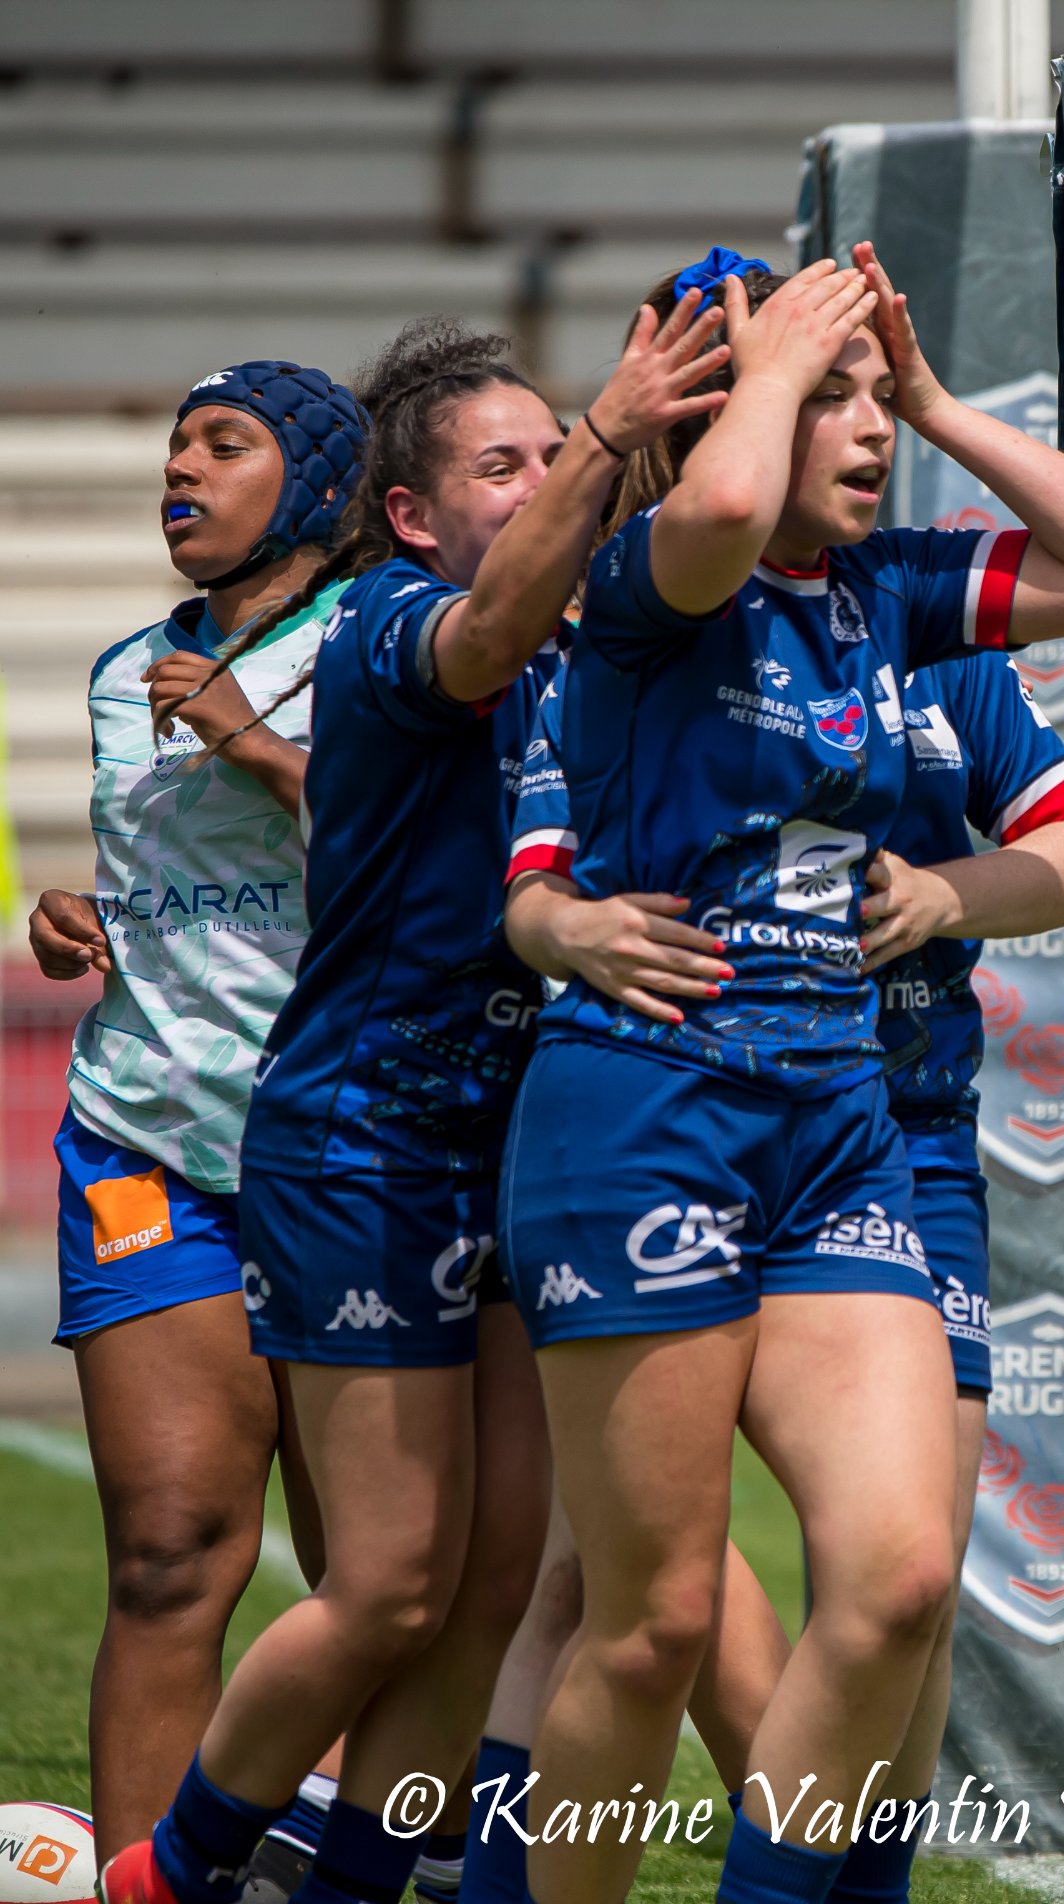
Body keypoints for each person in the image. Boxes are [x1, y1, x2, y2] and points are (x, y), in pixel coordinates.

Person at [494, 240, 1064, 1904]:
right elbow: (723, 514)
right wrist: (781, 365)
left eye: (882, 403)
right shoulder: (653, 573)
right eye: (836, 399)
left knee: (893, 1582)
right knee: (644, 1621)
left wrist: (931, 393)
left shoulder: (891, 595)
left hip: (840, 1121)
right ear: (741, 409)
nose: (870, 432)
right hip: (644, 1104)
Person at [96, 296, 729, 1904]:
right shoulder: (393, 634)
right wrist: (600, 441)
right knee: (380, 1587)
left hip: (518, 1141)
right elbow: (499, 624)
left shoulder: (576, 633)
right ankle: (164, 1873)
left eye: (547, 452)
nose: (540, 480)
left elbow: (672, 550)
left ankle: (356, 1887)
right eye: (499, 463)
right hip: (366, 1137)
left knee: (503, 1580)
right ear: (407, 515)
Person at [27, 361, 366, 1866]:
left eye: (223, 446)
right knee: (169, 1558)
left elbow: (414, 846)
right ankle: (135, 1886)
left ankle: (306, 1852)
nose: (181, 468)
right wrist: (87, 918)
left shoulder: (384, 635)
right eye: (173, 446)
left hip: (357, 1145)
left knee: (381, 1578)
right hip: (146, 1138)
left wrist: (250, 738)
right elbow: (190, 890)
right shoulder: (117, 670)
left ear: (313, 486)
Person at [847, 648, 1064, 1898]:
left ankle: (861, 1876)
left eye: (873, 427)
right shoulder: (665, 603)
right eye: (822, 427)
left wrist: (938, 897)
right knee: (622, 1587)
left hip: (909, 1138)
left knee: (914, 1584)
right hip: (688, 1123)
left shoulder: (941, 643)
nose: (860, 436)